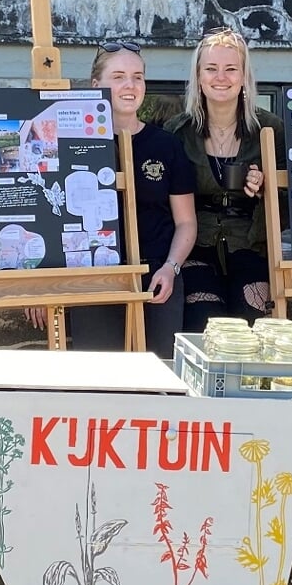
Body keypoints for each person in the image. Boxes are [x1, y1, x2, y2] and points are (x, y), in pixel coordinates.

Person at [65, 40, 197, 358]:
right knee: (101, 384)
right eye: (119, 76)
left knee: (160, 383)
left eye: (137, 77)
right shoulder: (72, 144)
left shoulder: (166, 145)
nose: (130, 85)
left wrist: (171, 267)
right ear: (96, 85)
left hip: (156, 280)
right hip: (93, 279)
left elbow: (186, 222)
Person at [174, 26, 272, 328]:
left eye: (231, 69)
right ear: (199, 77)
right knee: (204, 325)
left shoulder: (270, 130)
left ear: (243, 76)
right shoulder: (177, 132)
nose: (221, 77)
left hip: (251, 245)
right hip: (196, 245)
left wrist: (267, 184)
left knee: (253, 320)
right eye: (211, 69)